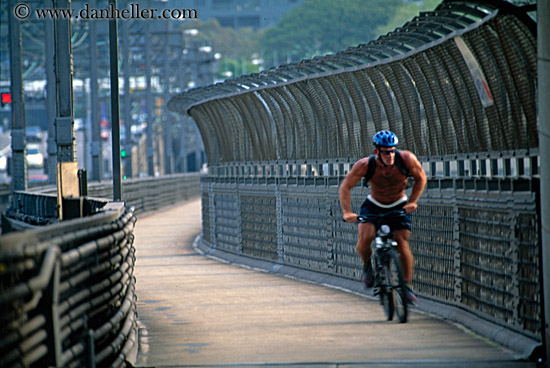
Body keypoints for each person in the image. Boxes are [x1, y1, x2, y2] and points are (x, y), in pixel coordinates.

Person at [339, 130, 427, 303]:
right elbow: (345, 187)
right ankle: (367, 267)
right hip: (374, 205)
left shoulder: (407, 160)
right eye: (386, 152)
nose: (390, 155)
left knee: (402, 243)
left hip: (398, 204)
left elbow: (421, 178)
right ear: (377, 152)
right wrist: (347, 212)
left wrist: (412, 201)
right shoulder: (365, 165)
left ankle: (406, 287)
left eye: (393, 150)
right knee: (365, 238)